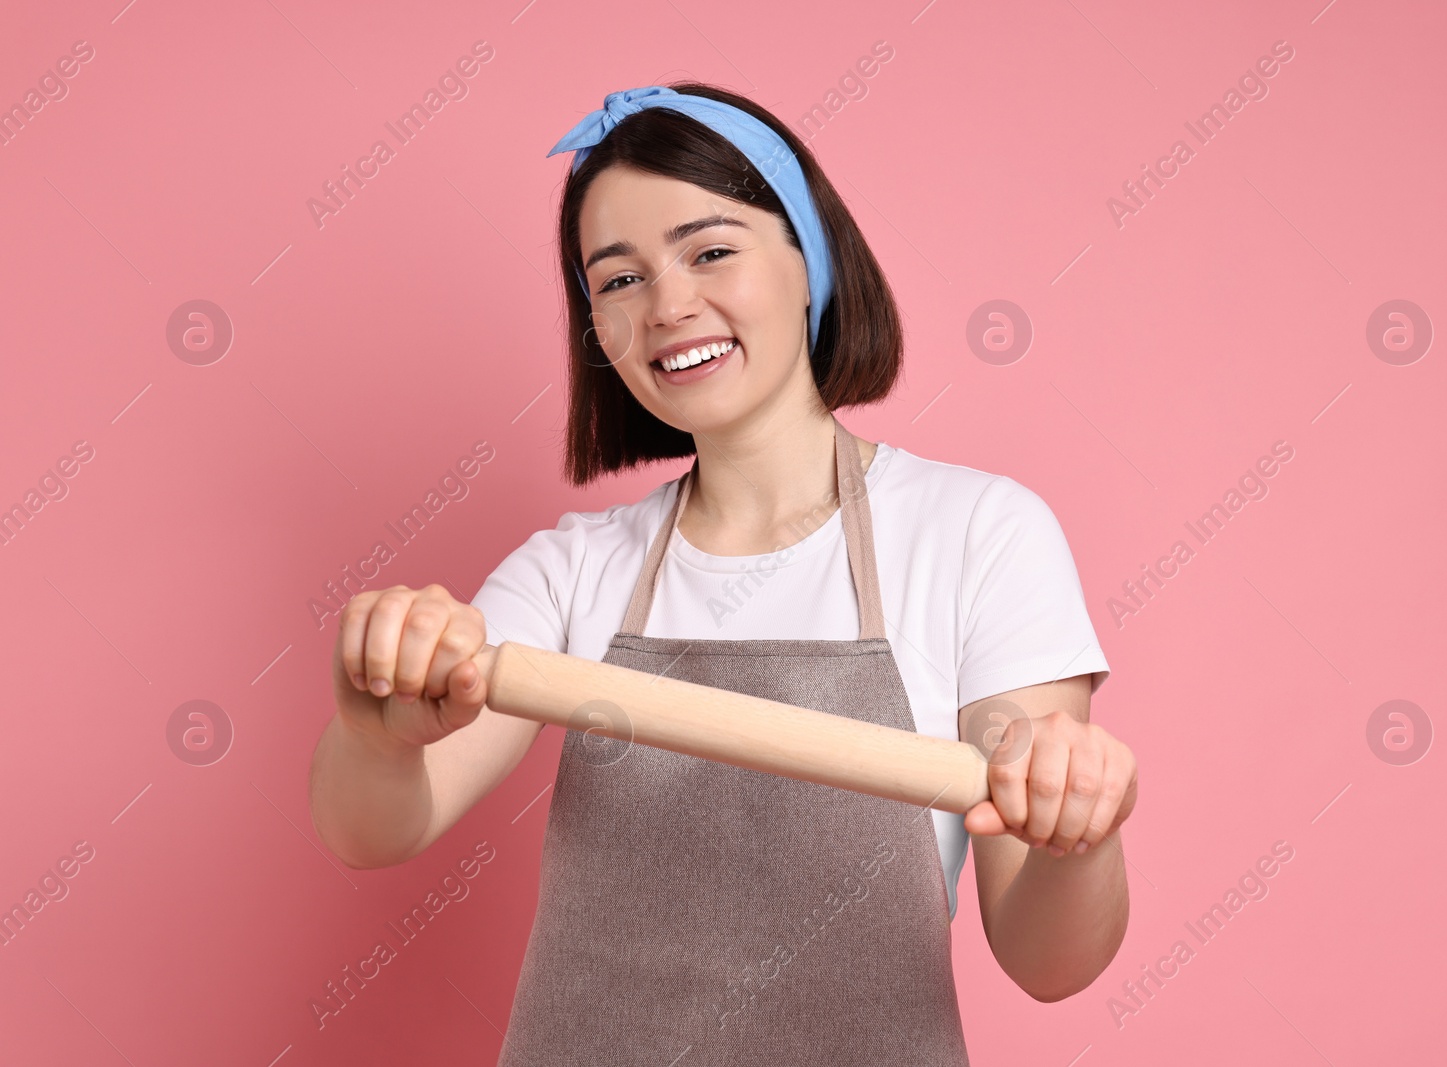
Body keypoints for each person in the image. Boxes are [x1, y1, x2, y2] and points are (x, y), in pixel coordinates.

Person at [309, 82, 1137, 1066]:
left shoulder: (977, 535)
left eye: (710, 250)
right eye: (615, 280)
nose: (667, 305)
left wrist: (1071, 830)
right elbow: (372, 829)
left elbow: (1049, 960)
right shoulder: (572, 570)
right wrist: (375, 734)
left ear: (809, 263)